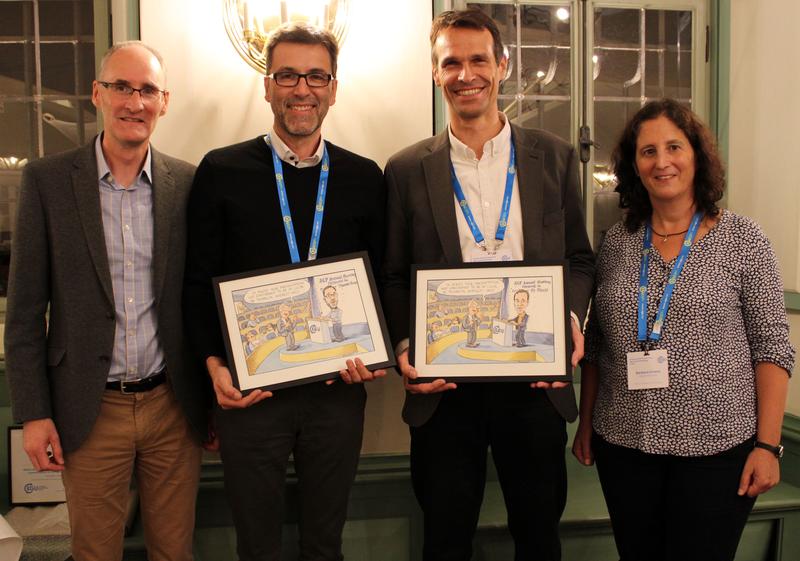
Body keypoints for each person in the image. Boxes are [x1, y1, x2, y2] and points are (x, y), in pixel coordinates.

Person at [381, 8, 595, 561]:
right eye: (451, 62)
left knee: (539, 537)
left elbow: (578, 258)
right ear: (436, 73)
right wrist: (406, 347)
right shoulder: (405, 170)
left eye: (479, 59)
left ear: (502, 66)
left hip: (534, 383)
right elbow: (395, 273)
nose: (466, 73)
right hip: (445, 386)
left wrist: (569, 322)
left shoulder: (553, 157)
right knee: (446, 539)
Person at [183, 23, 386, 561]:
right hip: (251, 396)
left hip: (337, 391)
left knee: (325, 543)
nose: (303, 89)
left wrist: (379, 351)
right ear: (267, 86)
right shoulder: (220, 170)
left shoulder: (365, 178)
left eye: (316, 75)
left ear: (333, 87)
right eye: (288, 75)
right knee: (257, 545)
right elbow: (196, 282)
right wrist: (213, 368)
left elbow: (383, 279)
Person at [4, 41, 206, 561]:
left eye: (147, 91)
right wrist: (33, 414)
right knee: (95, 553)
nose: (133, 102)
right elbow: (25, 310)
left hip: (172, 407)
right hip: (89, 407)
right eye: (121, 87)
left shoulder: (186, 183)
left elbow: (201, 297)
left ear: (164, 102)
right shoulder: (48, 182)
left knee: (174, 552)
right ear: (98, 93)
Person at [571, 98, 794, 561]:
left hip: (717, 449)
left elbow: (772, 346)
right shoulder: (617, 242)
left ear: (696, 155)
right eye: (647, 151)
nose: (662, 161)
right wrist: (586, 423)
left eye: (674, 146)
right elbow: (597, 346)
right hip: (625, 445)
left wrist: (768, 445)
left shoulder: (743, 239)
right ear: (634, 165)